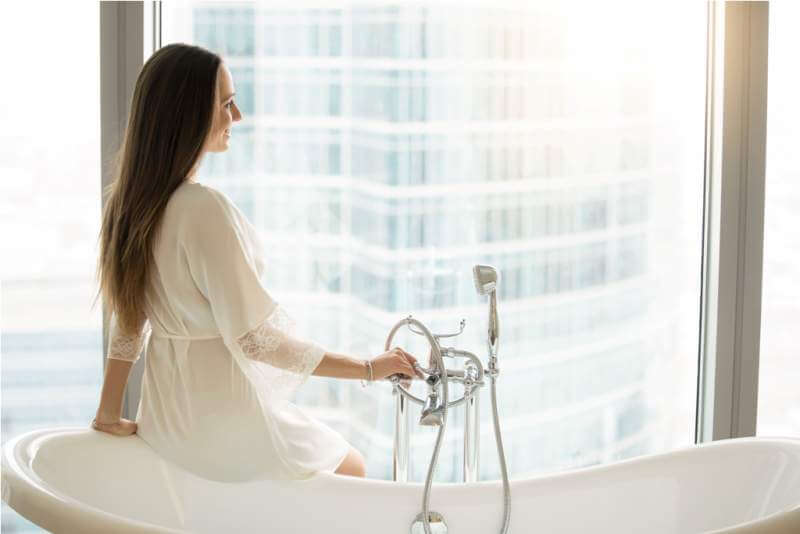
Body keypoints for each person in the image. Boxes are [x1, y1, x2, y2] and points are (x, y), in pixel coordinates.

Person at [90, 43, 423, 481]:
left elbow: (130, 320)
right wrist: (367, 367)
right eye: (227, 104)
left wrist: (109, 412)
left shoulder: (133, 205)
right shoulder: (201, 208)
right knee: (352, 469)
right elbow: (254, 339)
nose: (238, 117)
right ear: (188, 115)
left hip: (168, 422)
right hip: (221, 421)